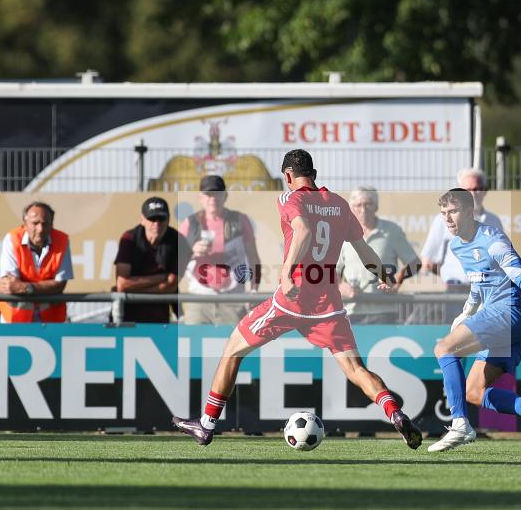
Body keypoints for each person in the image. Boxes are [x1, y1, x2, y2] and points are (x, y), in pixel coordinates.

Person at [172, 149, 423, 449]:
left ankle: (206, 424)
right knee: (357, 370)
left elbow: (302, 229)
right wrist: (383, 274)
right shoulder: (341, 205)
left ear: (288, 176)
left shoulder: (291, 198)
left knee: (233, 350)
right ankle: (394, 413)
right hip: (328, 307)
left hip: (290, 300)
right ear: (314, 174)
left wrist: (287, 274)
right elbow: (362, 248)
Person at [428, 188, 521, 454]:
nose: (448, 218)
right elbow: (480, 282)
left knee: (444, 348)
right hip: (509, 321)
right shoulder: (455, 245)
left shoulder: (492, 238)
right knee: (473, 391)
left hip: (509, 312)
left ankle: (459, 424)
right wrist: (467, 311)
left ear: (469, 211)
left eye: (453, 211)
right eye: (443, 213)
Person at [421, 168, 503, 320]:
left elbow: (501, 259)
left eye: (477, 189)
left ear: (484, 191)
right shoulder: (443, 220)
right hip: (455, 295)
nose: (472, 193)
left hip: (486, 293)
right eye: (467, 190)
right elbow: (428, 261)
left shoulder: (494, 221)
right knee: (457, 338)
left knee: (482, 341)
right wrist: (450, 275)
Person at [180, 175, 262, 325]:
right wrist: (191, 252)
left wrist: (254, 291)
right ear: (200, 197)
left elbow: (254, 259)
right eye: (208, 194)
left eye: (217, 193)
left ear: (225, 196)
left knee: (233, 346)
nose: (213, 198)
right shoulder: (189, 223)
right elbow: (175, 262)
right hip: (199, 299)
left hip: (233, 300)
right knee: (192, 346)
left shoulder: (240, 220)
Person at [337, 186, 421, 324]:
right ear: (351, 208)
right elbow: (333, 271)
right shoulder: (343, 232)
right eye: (358, 205)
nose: (363, 210)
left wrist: (398, 279)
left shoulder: (391, 231)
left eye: (368, 204)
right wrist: (341, 287)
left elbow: (415, 263)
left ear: (376, 207)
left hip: (384, 310)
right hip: (352, 311)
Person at [114, 197, 190, 324]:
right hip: (128, 316)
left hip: (161, 317)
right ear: (142, 220)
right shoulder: (129, 238)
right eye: (152, 219)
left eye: (161, 219)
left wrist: (135, 287)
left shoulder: (178, 241)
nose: (156, 224)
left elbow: (171, 287)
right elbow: (122, 284)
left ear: (168, 219)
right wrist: (161, 277)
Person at [0, 201, 73, 323]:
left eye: (45, 223)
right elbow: (9, 285)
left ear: (51, 224)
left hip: (50, 322)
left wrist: (27, 287)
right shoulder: (12, 239)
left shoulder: (62, 240)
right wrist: (47, 287)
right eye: (35, 223)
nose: (40, 229)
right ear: (25, 224)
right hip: (15, 321)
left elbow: (60, 285)